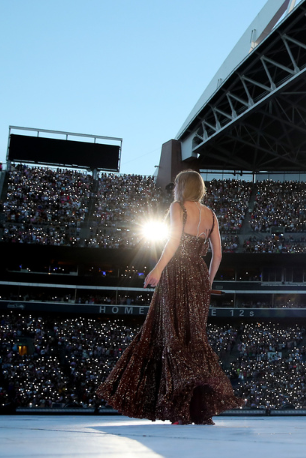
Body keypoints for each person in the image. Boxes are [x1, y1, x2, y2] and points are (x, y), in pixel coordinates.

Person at [96, 170, 244, 424]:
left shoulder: (177, 207)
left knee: (171, 336)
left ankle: (179, 409)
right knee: (192, 339)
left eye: (176, 184)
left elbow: (173, 241)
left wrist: (157, 268)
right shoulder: (210, 215)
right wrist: (207, 282)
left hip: (176, 274)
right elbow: (218, 255)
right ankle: (198, 411)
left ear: (182, 187)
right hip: (198, 277)